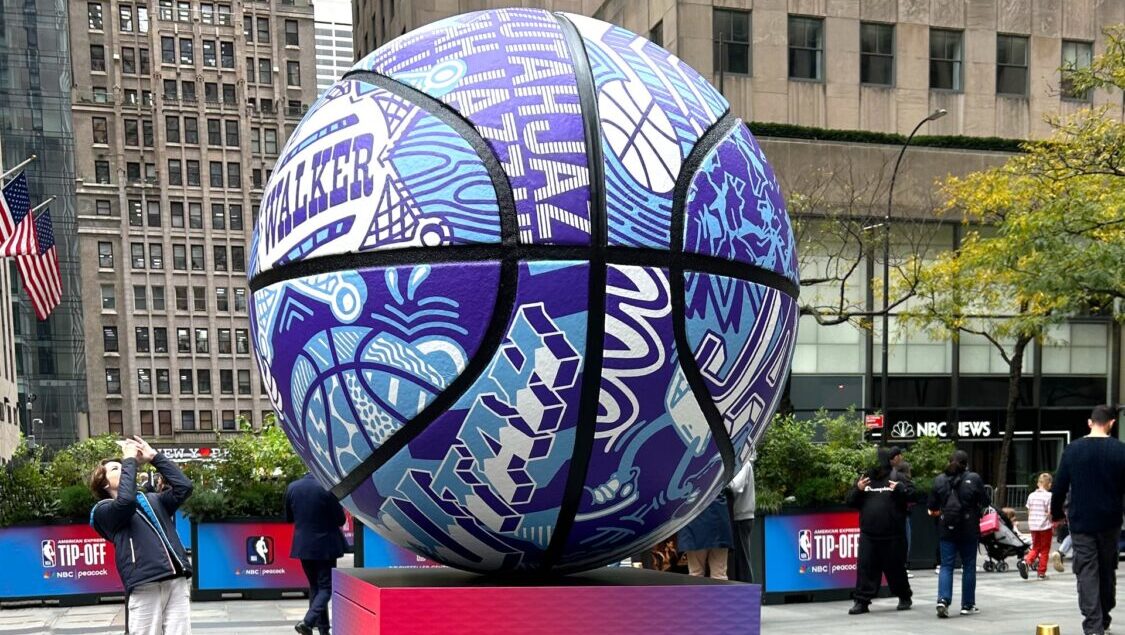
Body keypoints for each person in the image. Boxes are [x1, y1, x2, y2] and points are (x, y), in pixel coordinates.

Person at [89, 436, 194, 635]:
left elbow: (184, 487)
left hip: (175, 580)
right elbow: (125, 503)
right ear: (104, 485)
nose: (123, 468)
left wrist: (154, 457)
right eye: (115, 468)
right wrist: (129, 459)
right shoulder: (103, 511)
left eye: (123, 466)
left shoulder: (153, 499)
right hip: (145, 584)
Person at [1051, 405, 1125, 635]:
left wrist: (1056, 515)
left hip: (1081, 521)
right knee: (1106, 569)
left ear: (1090, 423)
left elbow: (1060, 486)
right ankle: (1104, 616)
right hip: (1111, 521)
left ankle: (1093, 626)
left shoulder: (1072, 450)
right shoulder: (1120, 450)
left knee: (1086, 571)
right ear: (1112, 423)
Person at [845, 446, 914, 615]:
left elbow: (914, 495)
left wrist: (900, 489)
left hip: (893, 535)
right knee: (865, 569)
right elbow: (850, 502)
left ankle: (904, 596)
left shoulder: (897, 477)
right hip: (869, 534)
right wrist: (858, 490)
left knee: (896, 569)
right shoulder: (865, 480)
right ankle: (861, 601)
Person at [927, 449, 989, 619]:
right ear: (966, 463)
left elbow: (932, 506)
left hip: (947, 528)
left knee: (946, 566)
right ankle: (967, 604)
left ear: (949, 461)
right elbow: (985, 501)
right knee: (968, 565)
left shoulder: (939, 480)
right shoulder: (974, 478)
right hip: (969, 529)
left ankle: (943, 600)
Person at [286, 473, 347, 635]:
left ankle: (323, 630)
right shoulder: (327, 487)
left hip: (303, 546)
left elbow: (288, 517)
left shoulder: (292, 487)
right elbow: (341, 519)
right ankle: (308, 621)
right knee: (326, 587)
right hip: (326, 547)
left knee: (315, 587)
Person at [676, 493, 733, 580]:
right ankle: (720, 593)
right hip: (718, 516)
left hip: (693, 518)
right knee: (719, 574)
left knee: (696, 573)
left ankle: (696, 593)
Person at [1019, 473, 1054, 580]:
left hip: (1033, 525)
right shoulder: (1049, 496)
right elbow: (1049, 513)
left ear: (1038, 483)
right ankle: (1041, 572)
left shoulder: (1031, 495)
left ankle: (1026, 561)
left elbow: (1029, 511)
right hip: (1045, 526)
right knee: (1045, 549)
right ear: (1049, 484)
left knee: (1035, 547)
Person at [728, 456, 756, 583]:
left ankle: (747, 595)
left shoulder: (743, 463)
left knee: (742, 560)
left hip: (741, 517)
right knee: (739, 560)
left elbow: (735, 487)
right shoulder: (742, 462)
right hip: (740, 516)